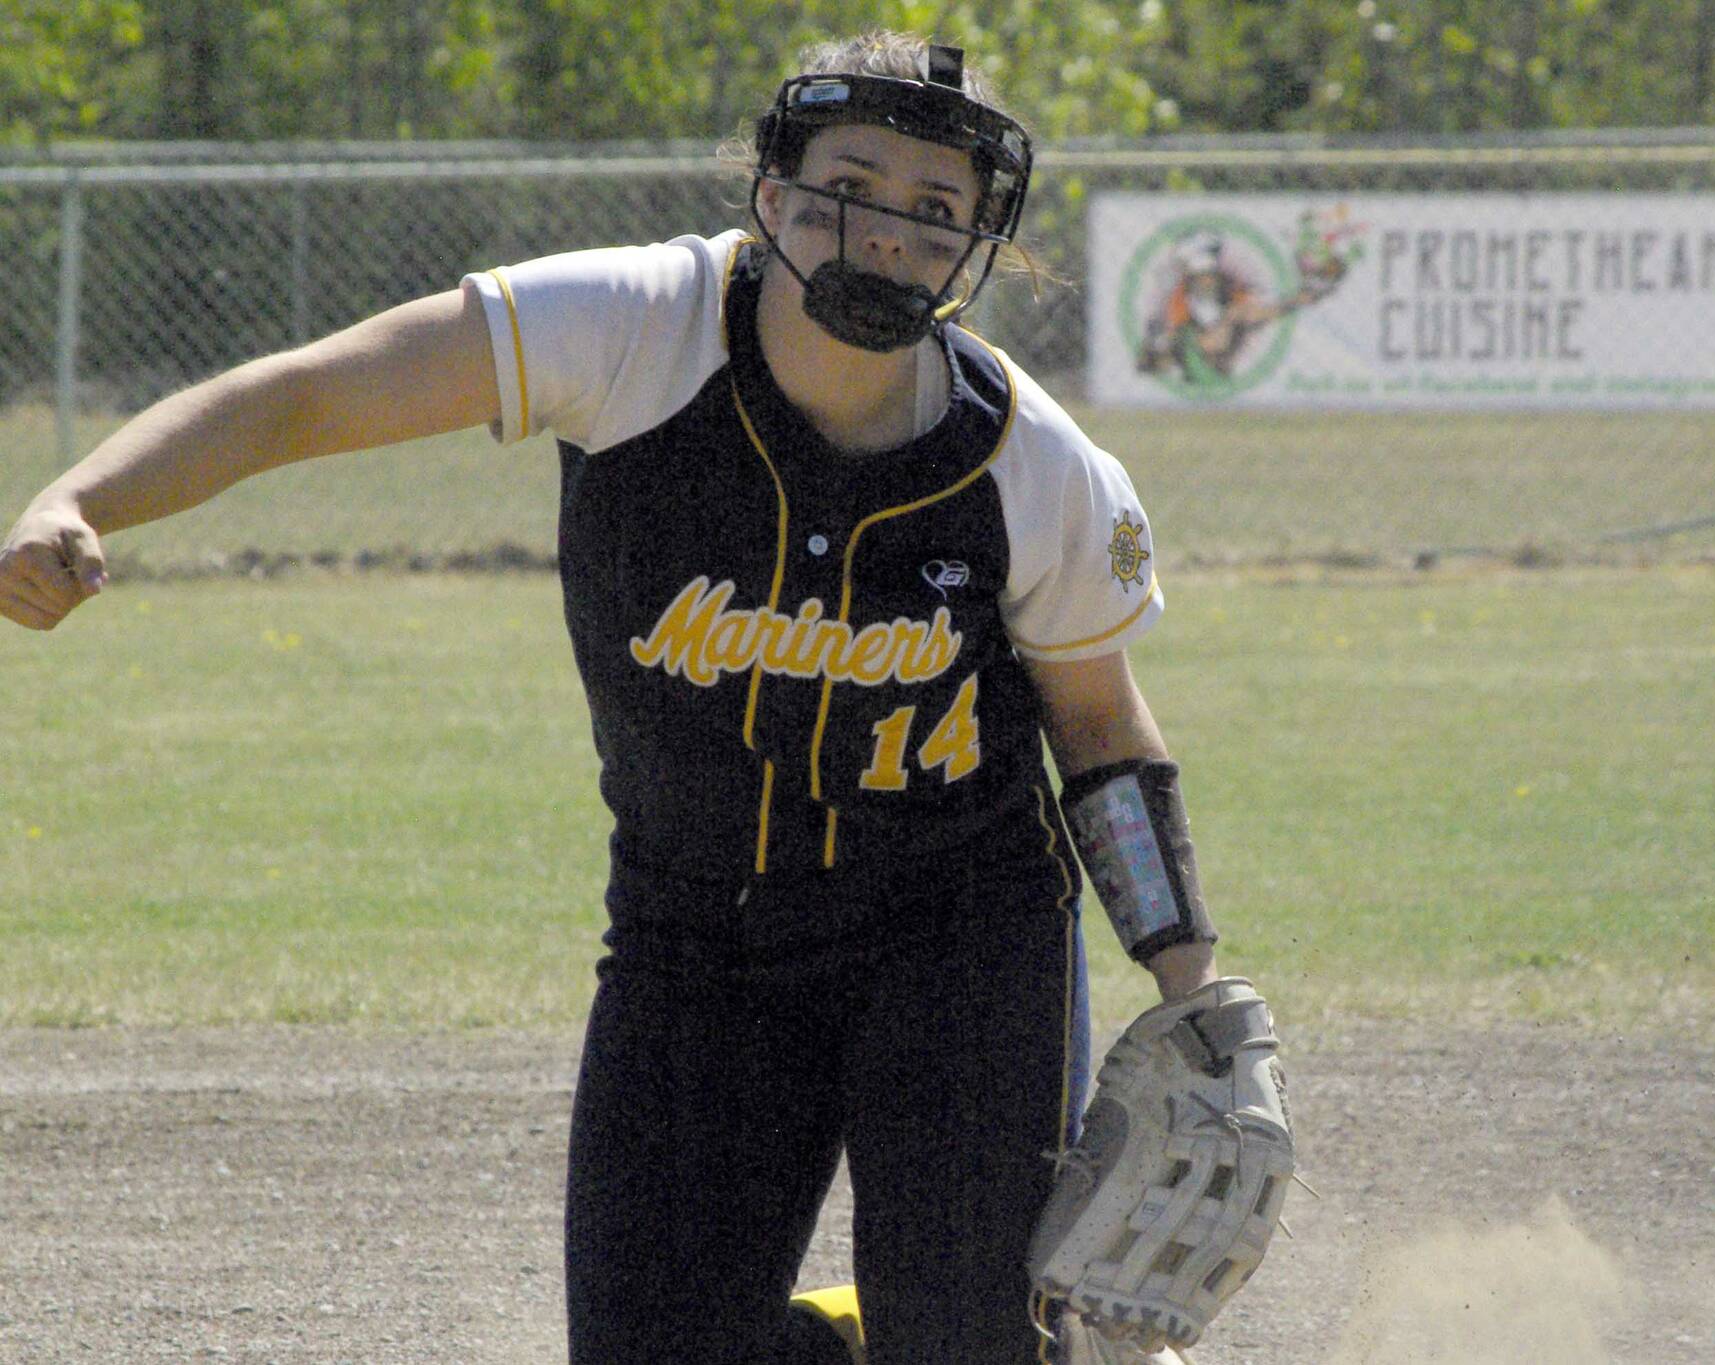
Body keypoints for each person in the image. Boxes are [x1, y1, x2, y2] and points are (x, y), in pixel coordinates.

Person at [1, 32, 1241, 1365]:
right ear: (770, 192)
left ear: (973, 247)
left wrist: (1197, 996)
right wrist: (75, 497)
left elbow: (1105, 742)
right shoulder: (628, 331)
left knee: (969, 1342)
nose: (887, 232)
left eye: (936, 210)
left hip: (956, 936)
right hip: (698, 934)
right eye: (852, 183)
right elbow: (304, 398)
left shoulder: (1029, 463)